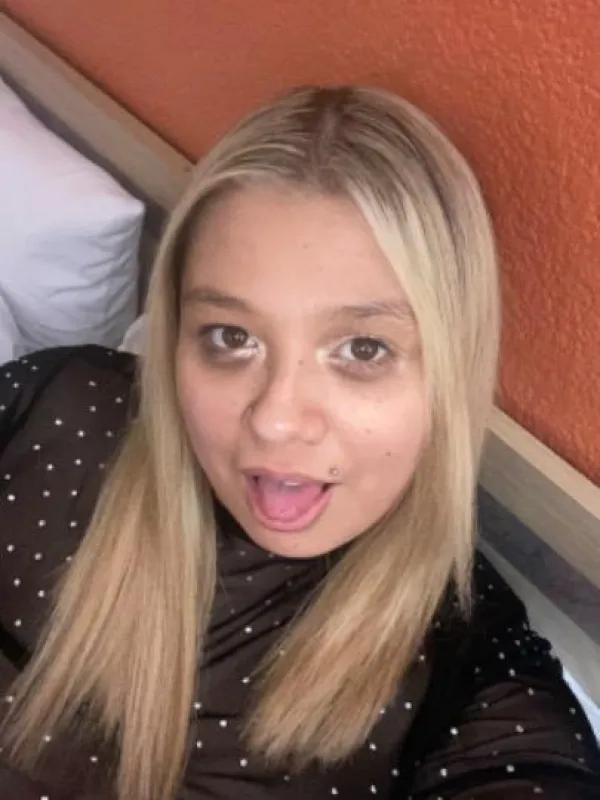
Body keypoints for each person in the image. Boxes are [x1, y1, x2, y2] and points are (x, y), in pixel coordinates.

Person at [0, 86, 598, 800]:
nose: (276, 420)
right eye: (231, 336)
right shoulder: (56, 408)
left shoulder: (468, 669)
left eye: (364, 348)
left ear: (450, 369)